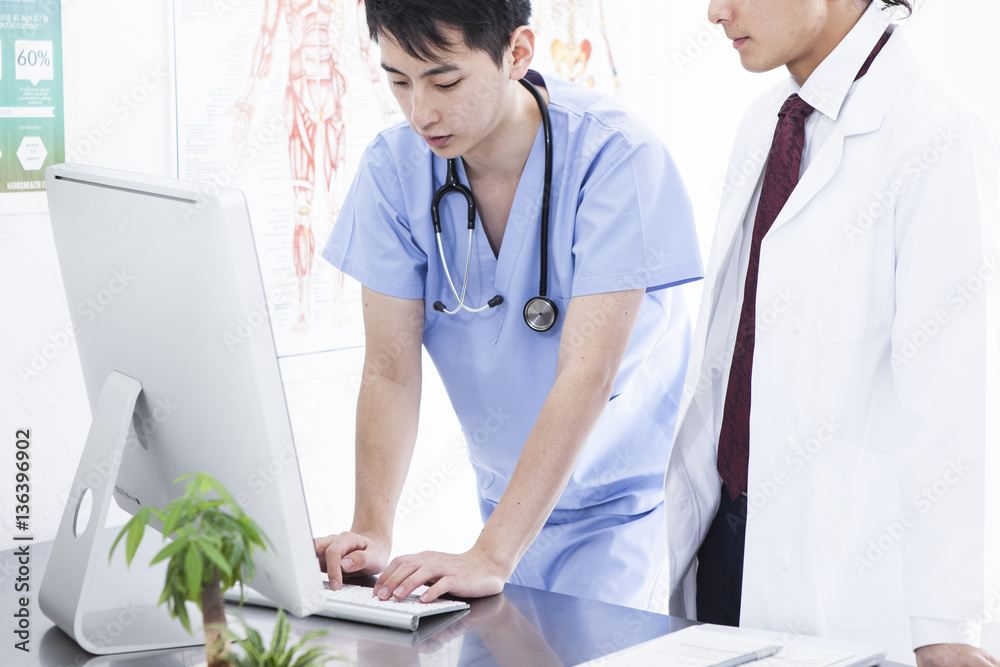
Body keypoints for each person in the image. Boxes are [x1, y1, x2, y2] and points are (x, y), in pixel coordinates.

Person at [315, 0, 702, 610]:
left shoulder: (615, 157)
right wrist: (372, 530)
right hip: (501, 506)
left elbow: (587, 373)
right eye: (398, 82)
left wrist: (492, 555)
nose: (421, 112)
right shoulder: (394, 170)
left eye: (444, 80)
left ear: (517, 53)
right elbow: (389, 368)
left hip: (625, 513)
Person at [663, 0, 1000, 664]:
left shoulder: (937, 134)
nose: (714, 12)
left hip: (844, 571)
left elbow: (957, 402)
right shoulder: (766, 122)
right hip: (724, 545)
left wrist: (946, 624)